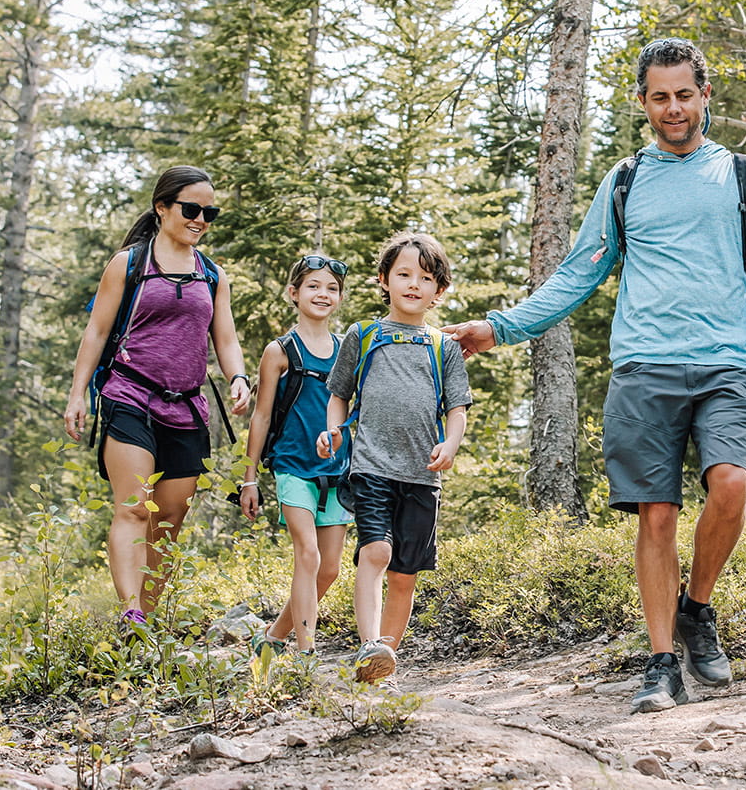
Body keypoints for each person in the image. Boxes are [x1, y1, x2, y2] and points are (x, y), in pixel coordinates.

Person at [444, 37, 746, 714]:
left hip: (727, 363)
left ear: (705, 95)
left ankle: (697, 607)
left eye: (684, 94)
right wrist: (500, 327)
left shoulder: (742, 176)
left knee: (731, 485)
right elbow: (578, 272)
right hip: (643, 367)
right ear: (643, 102)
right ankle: (662, 665)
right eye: (659, 97)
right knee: (656, 514)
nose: (673, 108)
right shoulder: (627, 179)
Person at [63, 165, 252, 631]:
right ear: (162, 207)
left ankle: (144, 622)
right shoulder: (129, 264)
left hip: (186, 407)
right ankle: (130, 614)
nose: (200, 219)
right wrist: (77, 394)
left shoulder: (212, 275)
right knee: (133, 507)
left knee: (168, 519)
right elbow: (97, 331)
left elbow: (225, 338)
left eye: (209, 212)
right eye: (191, 209)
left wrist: (238, 376)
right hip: (129, 394)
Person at [317, 232, 472, 683]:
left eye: (425, 278)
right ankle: (369, 644)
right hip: (371, 467)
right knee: (376, 551)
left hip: (422, 476)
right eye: (403, 274)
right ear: (384, 280)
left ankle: (383, 663)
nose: (413, 285)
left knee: (404, 575)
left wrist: (451, 443)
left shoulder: (443, 346)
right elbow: (339, 394)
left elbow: (457, 408)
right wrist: (333, 430)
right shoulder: (363, 334)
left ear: (439, 289)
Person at [238, 254, 353, 658]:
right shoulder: (280, 351)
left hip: (338, 471)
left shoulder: (347, 349)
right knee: (307, 554)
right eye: (313, 286)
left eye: (332, 288)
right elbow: (261, 415)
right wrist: (249, 479)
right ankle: (307, 655)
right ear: (294, 293)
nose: (323, 294)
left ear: (340, 298)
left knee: (329, 569)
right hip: (292, 466)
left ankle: (272, 637)